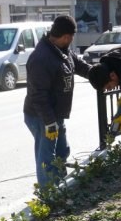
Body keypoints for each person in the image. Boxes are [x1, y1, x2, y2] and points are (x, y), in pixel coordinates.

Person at [23, 15, 92, 188]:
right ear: (66, 37)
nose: (71, 41)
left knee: (62, 151)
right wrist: (49, 122)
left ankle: (61, 186)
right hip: (41, 117)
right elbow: (39, 95)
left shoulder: (62, 50)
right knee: (46, 156)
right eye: (71, 38)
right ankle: (49, 194)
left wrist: (98, 74)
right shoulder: (41, 58)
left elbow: (79, 65)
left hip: (55, 115)